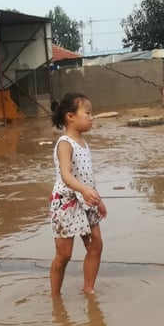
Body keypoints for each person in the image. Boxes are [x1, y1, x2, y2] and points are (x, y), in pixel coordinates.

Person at [49, 93, 107, 297]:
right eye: (88, 113)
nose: (92, 117)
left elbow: (86, 176)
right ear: (70, 117)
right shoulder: (65, 143)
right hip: (66, 203)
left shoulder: (84, 143)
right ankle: (55, 297)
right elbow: (66, 175)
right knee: (64, 255)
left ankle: (89, 289)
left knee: (96, 245)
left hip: (87, 201)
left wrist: (98, 199)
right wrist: (83, 190)